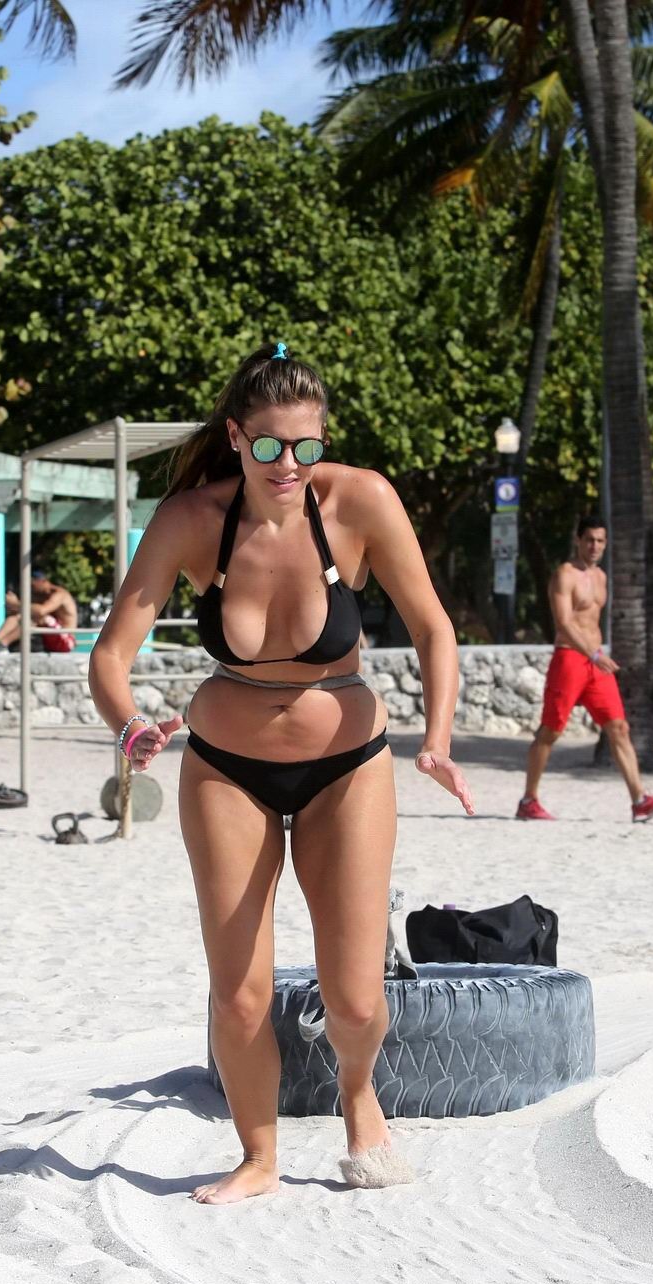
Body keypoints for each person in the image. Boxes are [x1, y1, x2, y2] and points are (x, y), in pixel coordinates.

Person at [90, 343, 475, 1206]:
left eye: (305, 445)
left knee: (355, 999)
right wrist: (131, 726)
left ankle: (357, 1093)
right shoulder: (193, 519)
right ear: (236, 437)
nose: (288, 465)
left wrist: (439, 738)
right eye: (267, 446)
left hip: (348, 766)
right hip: (226, 770)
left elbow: (434, 629)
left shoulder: (360, 500)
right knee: (238, 995)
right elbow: (111, 654)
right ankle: (258, 1156)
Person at [516, 516, 653, 823]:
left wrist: (596, 654)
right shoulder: (565, 574)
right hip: (570, 658)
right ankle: (528, 800)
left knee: (619, 727)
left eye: (600, 541)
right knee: (550, 730)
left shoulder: (601, 577)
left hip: (595, 662)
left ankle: (639, 800)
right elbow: (563, 622)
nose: (595, 546)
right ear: (578, 540)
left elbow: (592, 621)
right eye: (589, 539)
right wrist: (591, 653)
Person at [0, 570, 79, 653]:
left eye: (32, 585)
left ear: (42, 581)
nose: (31, 589)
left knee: (37, 616)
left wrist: (16, 604)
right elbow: (24, 612)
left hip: (66, 640)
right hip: (49, 639)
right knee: (20, 615)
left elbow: (41, 611)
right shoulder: (40, 595)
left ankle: (4, 644)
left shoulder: (60, 594)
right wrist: (14, 608)